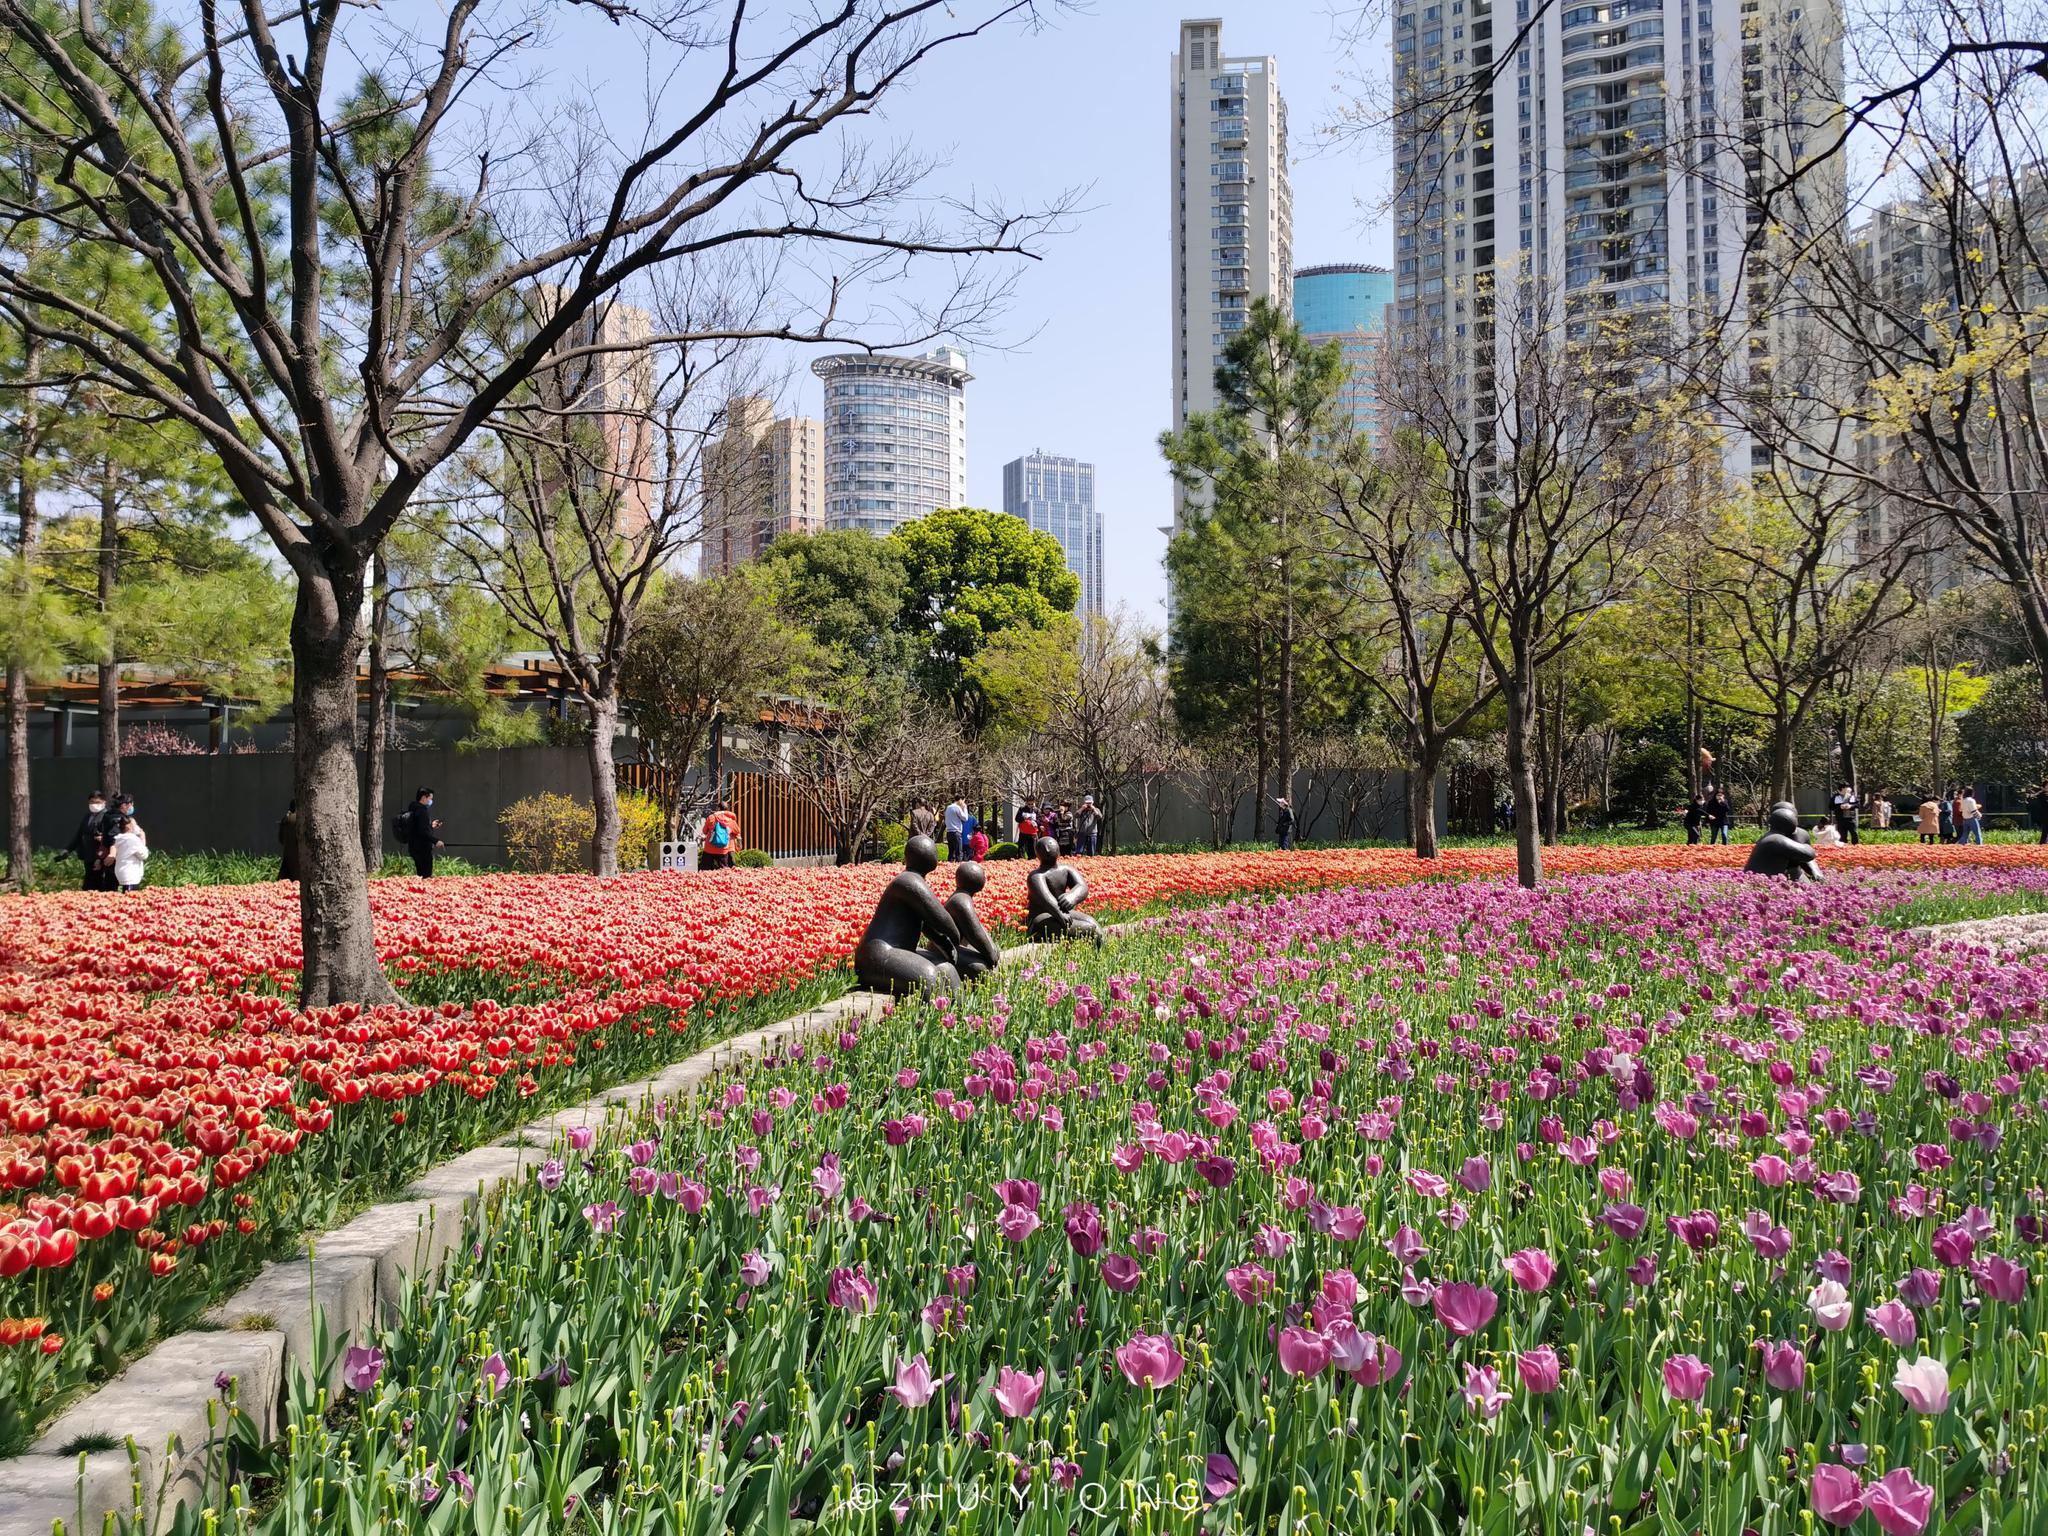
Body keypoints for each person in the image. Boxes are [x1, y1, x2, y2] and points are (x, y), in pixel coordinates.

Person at [853, 835, 960, 997]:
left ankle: (958, 1012)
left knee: (946, 968)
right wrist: (956, 936)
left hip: (898, 951)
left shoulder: (913, 880)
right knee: (928, 976)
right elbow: (940, 918)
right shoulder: (908, 881)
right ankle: (932, 1013)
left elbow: (925, 923)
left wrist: (943, 943)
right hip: (877, 956)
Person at [1026, 836, 1102, 945]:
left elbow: (1082, 886)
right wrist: (1060, 914)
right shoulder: (1036, 876)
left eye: (1052, 846)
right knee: (1089, 928)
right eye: (1045, 848)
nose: (1048, 849)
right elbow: (1047, 899)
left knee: (1094, 924)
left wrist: (1072, 896)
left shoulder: (1066, 869)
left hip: (1063, 913)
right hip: (1041, 918)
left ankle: (1099, 951)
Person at [936, 861, 1001, 981]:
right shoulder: (961, 901)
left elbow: (978, 928)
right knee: (980, 968)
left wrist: (992, 950)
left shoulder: (962, 897)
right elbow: (974, 933)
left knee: (982, 961)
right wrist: (991, 955)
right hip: (943, 951)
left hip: (951, 947)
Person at [64, 790, 115, 891]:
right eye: (92, 802)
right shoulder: (88, 816)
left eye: (97, 802)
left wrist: (104, 839)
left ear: (104, 802)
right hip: (89, 856)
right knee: (89, 884)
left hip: (102, 856)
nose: (94, 805)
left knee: (98, 885)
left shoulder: (108, 816)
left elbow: (114, 837)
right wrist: (67, 850)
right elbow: (79, 835)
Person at [398, 787, 445, 876]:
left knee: (420, 874)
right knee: (426, 875)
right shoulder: (422, 811)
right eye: (430, 798)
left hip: (414, 846)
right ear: (424, 797)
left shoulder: (413, 808)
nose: (431, 801)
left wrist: (431, 826)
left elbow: (418, 828)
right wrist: (436, 841)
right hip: (423, 849)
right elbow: (423, 832)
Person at [109, 814, 149, 892]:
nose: (137, 827)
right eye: (135, 824)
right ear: (128, 827)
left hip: (122, 872)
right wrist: (143, 838)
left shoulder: (119, 838)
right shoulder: (132, 839)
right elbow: (144, 855)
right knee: (130, 896)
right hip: (130, 875)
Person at [700, 803, 740, 869]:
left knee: (705, 870)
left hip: (709, 848)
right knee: (723, 870)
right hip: (724, 849)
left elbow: (704, 831)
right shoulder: (731, 820)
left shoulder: (711, 818)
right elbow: (737, 831)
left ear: (718, 808)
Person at [278, 800, 301, 882]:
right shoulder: (303, 819)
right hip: (300, 860)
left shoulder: (286, 819)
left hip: (288, 858)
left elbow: (281, 839)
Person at [942, 795, 968, 862]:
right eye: (963, 801)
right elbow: (965, 818)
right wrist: (965, 808)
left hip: (949, 832)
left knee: (951, 853)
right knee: (958, 853)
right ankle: (958, 865)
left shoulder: (948, 807)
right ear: (960, 800)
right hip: (956, 832)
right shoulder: (957, 807)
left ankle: (949, 865)